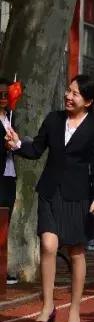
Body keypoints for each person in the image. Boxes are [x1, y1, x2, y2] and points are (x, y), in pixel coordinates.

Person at [5, 75, 94, 322]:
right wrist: (17, 144)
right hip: (50, 191)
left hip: (79, 197)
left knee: (76, 251)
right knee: (48, 245)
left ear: (88, 101)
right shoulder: (53, 119)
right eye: (68, 91)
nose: (68, 96)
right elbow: (36, 150)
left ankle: (74, 308)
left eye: (75, 94)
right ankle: (47, 305)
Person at [0, 79, 18, 286]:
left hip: (9, 177)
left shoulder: (11, 118)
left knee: (6, 224)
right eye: (0, 95)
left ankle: (3, 270)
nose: (4, 98)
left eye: (7, 94)